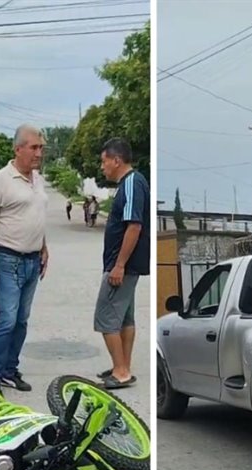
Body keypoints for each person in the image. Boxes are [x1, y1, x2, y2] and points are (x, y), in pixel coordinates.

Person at [0, 124, 49, 393]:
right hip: (8, 260)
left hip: (33, 260)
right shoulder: (0, 180)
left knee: (21, 320)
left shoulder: (37, 179)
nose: (39, 153)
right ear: (18, 149)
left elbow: (37, 216)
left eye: (41, 147)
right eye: (34, 147)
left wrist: (44, 247)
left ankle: (10, 370)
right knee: (6, 319)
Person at [93, 138, 150, 389]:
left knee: (105, 317)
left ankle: (121, 371)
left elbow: (133, 225)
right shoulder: (134, 182)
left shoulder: (131, 184)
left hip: (123, 266)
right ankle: (123, 365)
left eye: (105, 161)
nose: (103, 167)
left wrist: (119, 265)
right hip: (127, 265)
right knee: (124, 319)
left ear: (117, 160)